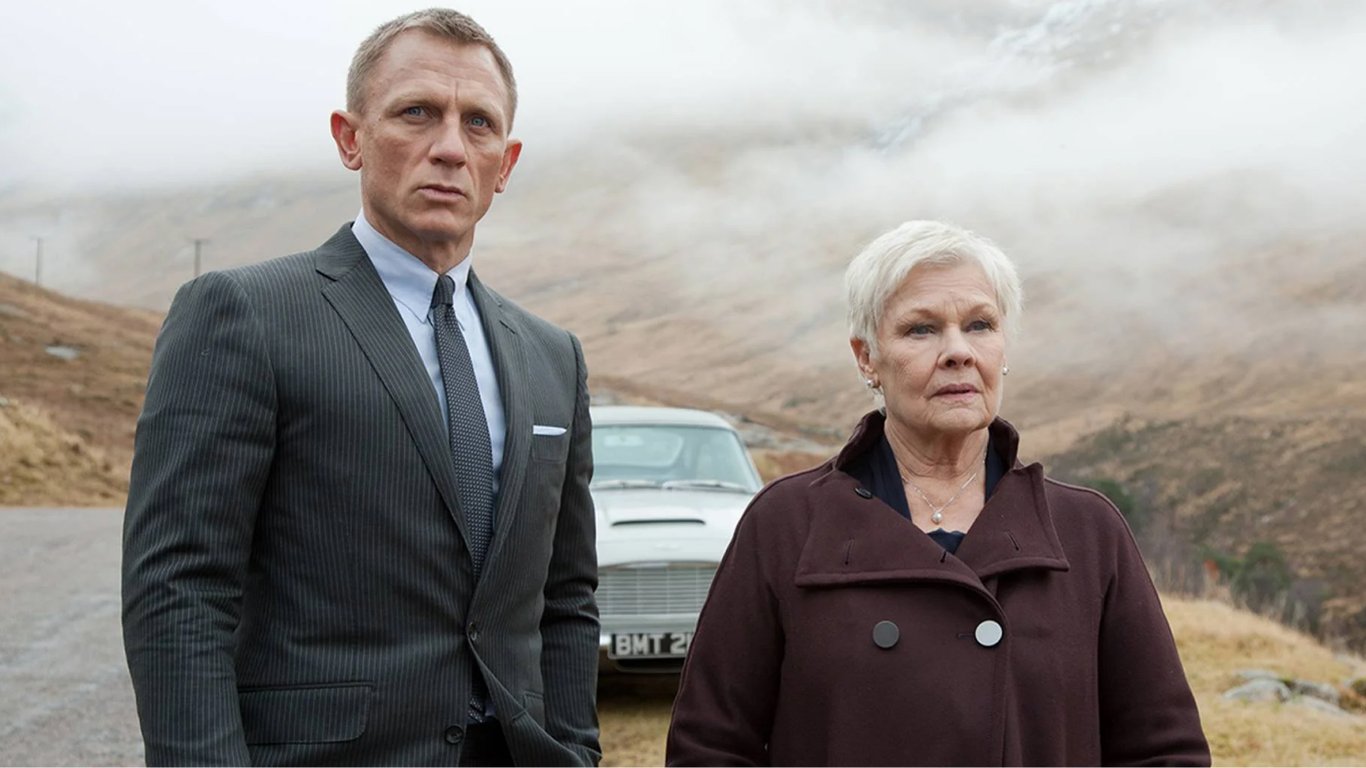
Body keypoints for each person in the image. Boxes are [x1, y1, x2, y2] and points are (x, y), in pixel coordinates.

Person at [122, 9, 599, 766]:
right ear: (350, 138)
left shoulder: (553, 357)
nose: (450, 148)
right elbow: (179, 589)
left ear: (504, 164)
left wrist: (574, 750)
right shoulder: (244, 314)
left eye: (478, 123)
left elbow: (565, 598)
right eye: (417, 113)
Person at [666, 220, 1210, 766]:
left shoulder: (1087, 532)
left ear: (1003, 348)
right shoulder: (787, 525)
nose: (958, 352)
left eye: (980, 325)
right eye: (921, 330)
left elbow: (1164, 752)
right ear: (866, 358)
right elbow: (710, 748)